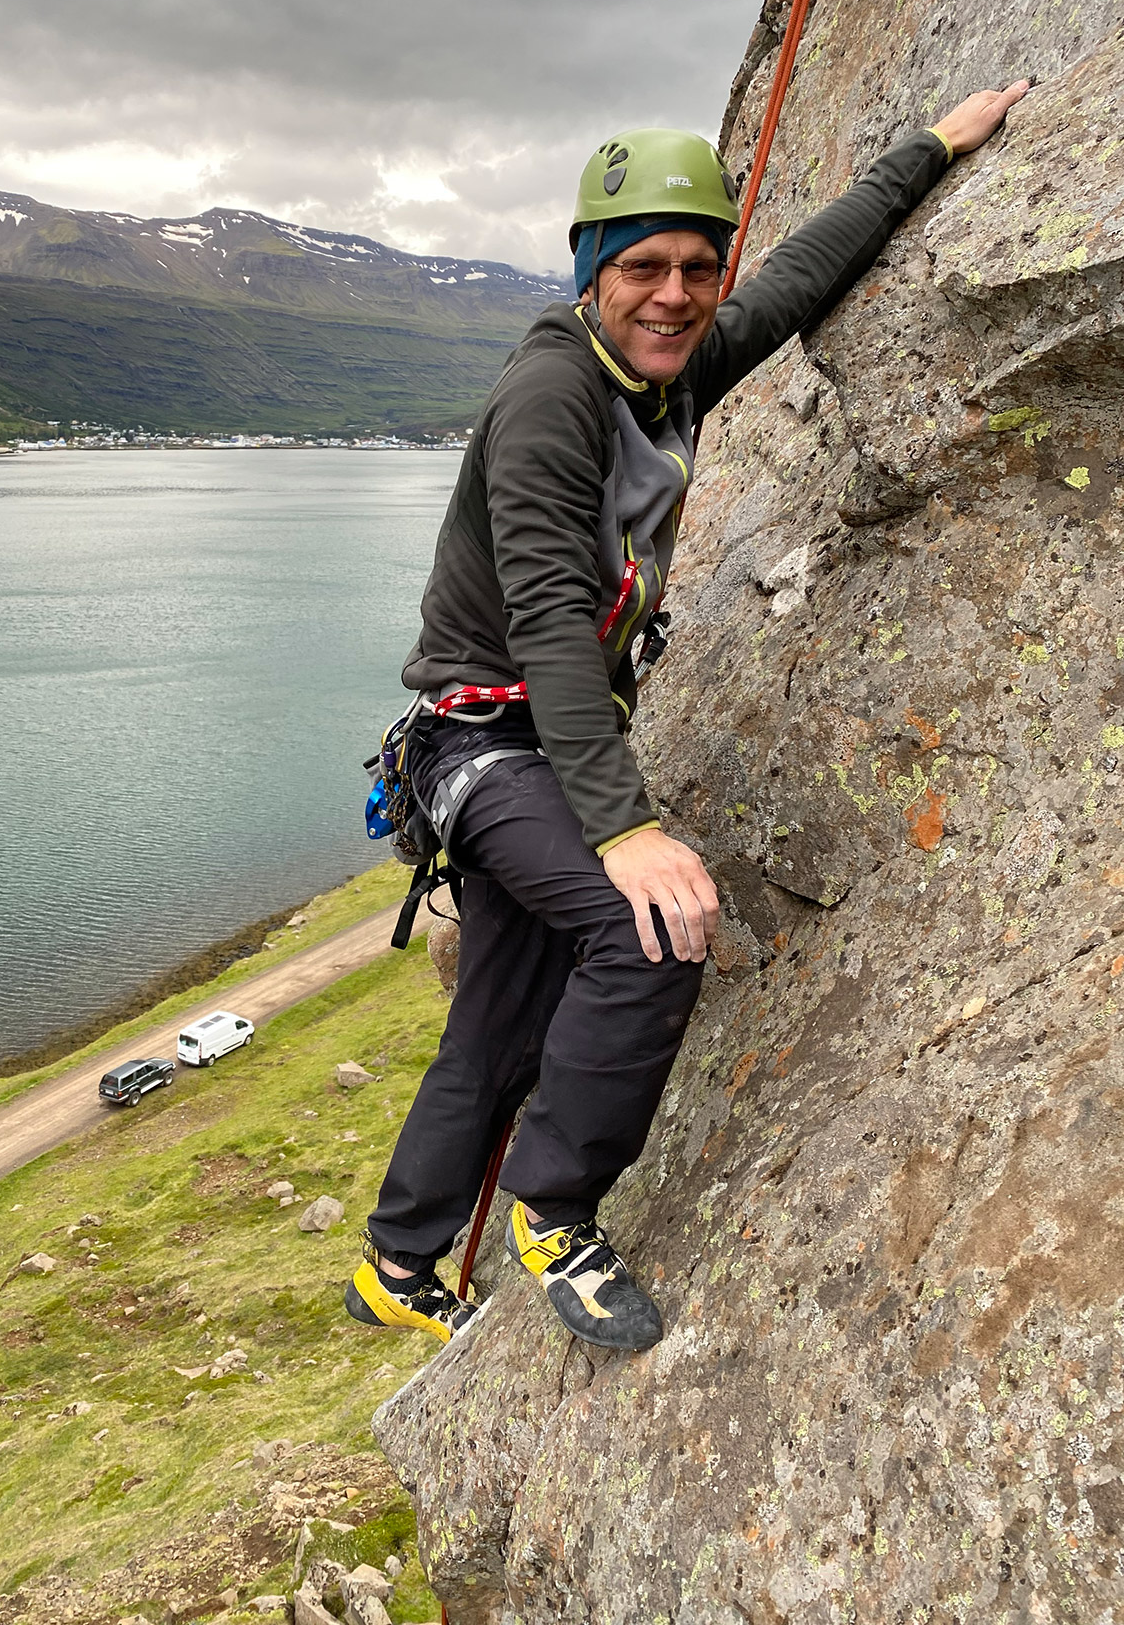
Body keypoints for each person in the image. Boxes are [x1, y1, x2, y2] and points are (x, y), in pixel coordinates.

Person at [345, 82, 1031, 1351]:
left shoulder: (669, 366)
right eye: (643, 268)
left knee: (499, 1023)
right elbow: (551, 611)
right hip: (486, 744)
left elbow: (797, 281)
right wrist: (622, 830)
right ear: (591, 273)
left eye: (695, 268)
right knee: (651, 928)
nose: (674, 294)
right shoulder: (555, 395)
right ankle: (554, 1210)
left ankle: (398, 1256)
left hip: (528, 742)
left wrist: (935, 146)